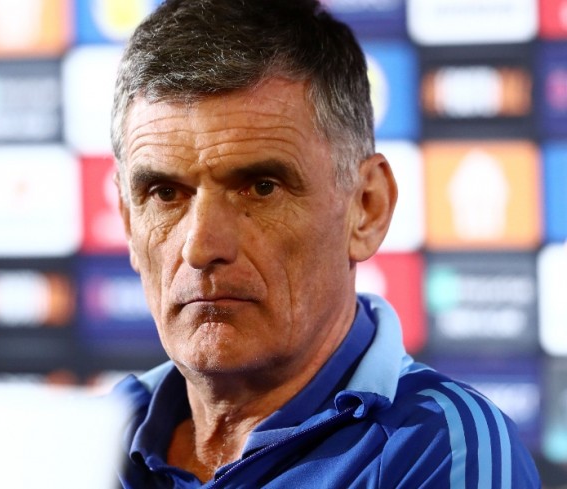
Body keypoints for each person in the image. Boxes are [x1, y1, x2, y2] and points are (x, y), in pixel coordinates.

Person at [109, 0, 541, 487]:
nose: (201, 246)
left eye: (262, 187)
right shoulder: (85, 444)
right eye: (165, 194)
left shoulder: (444, 449)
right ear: (127, 222)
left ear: (367, 208)